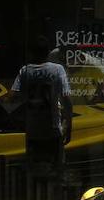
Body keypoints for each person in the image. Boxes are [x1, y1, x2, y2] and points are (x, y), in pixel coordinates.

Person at [11, 35, 73, 179]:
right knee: (56, 172)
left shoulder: (25, 71)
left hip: (33, 129)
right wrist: (69, 124)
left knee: (33, 173)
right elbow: (66, 98)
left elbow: (13, 96)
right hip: (52, 129)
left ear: (31, 52)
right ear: (48, 52)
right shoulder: (57, 70)